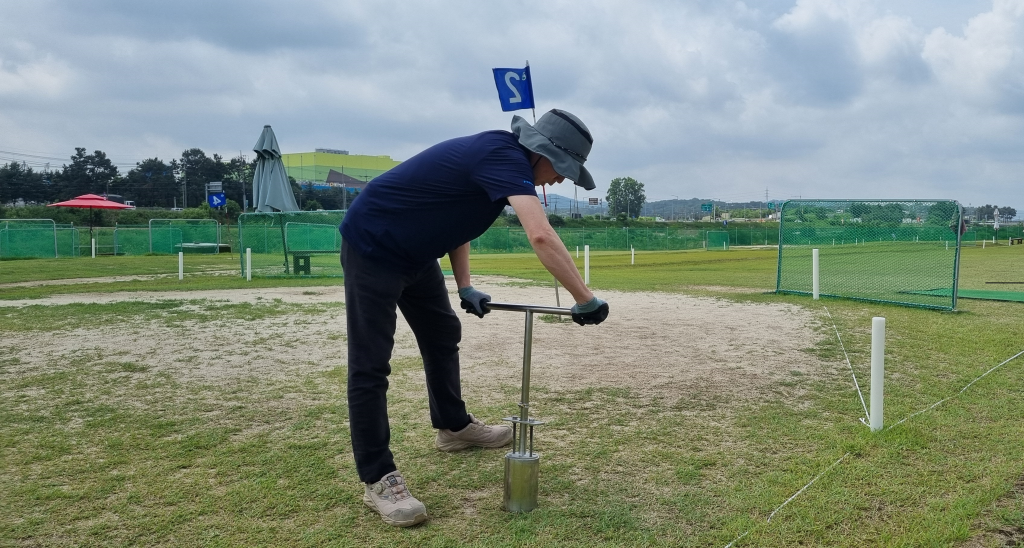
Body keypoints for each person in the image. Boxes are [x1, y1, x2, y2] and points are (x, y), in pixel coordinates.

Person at [339, 109, 610, 527]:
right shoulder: (503, 158)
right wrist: (585, 298)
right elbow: (541, 234)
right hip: (374, 246)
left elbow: (458, 220)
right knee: (370, 364)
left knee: (442, 333)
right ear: (541, 153)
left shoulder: (504, 167)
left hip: (416, 255)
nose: (560, 179)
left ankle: (453, 428)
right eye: (562, 168)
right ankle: (378, 478)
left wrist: (464, 285)